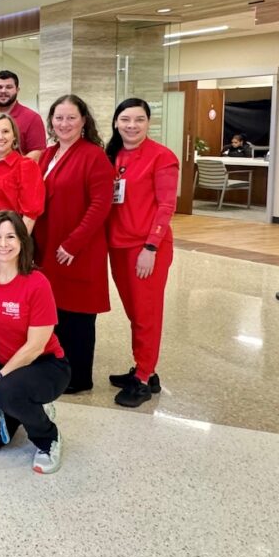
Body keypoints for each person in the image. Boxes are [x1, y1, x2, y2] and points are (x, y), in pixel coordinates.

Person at [0, 211, 70, 474]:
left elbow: (35, 346)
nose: (3, 243)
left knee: (7, 392)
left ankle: (48, 438)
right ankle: (20, 402)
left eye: (11, 236)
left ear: (22, 241)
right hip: (1, 362)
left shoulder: (37, 283)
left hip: (45, 365)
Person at [33, 95, 113, 395]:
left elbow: (101, 205)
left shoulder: (93, 155)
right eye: (58, 118)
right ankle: (57, 370)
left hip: (77, 250)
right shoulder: (48, 154)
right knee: (56, 313)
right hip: (49, 246)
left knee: (78, 317)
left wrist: (73, 243)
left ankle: (79, 378)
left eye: (70, 118)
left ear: (83, 121)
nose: (64, 124)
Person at [106, 98, 179, 407]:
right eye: (125, 119)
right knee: (136, 313)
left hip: (146, 249)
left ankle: (144, 378)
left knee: (147, 314)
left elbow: (166, 206)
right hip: (118, 246)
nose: (131, 125)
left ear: (149, 123)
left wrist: (151, 246)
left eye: (138, 120)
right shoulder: (112, 155)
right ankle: (144, 368)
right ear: (116, 123)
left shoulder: (162, 157)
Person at [0, 113, 45, 232]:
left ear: (14, 136)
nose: (0, 137)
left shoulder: (26, 166)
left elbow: (30, 215)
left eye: (5, 131)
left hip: (13, 231)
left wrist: (17, 241)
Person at [0, 71, 47, 161]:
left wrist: (9, 169)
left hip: (17, 173)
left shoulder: (32, 118)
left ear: (17, 90)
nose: (3, 91)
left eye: (9, 87)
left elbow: (38, 153)